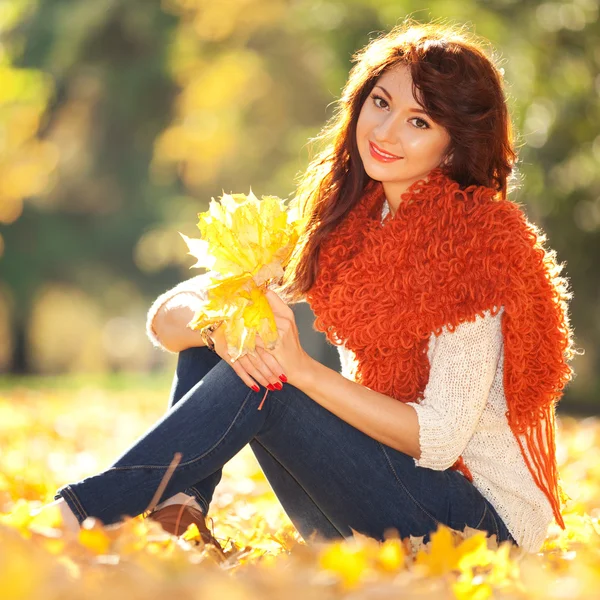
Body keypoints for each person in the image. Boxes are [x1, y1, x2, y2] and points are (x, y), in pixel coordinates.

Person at [39, 20, 574, 555]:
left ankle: (67, 519)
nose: (386, 132)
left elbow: (437, 439)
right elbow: (166, 317)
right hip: (378, 497)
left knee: (266, 376)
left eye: (419, 120)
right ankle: (175, 514)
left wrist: (300, 372)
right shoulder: (347, 223)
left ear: (455, 145)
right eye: (381, 103)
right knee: (236, 324)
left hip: (473, 527)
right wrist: (217, 327)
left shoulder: (476, 245)